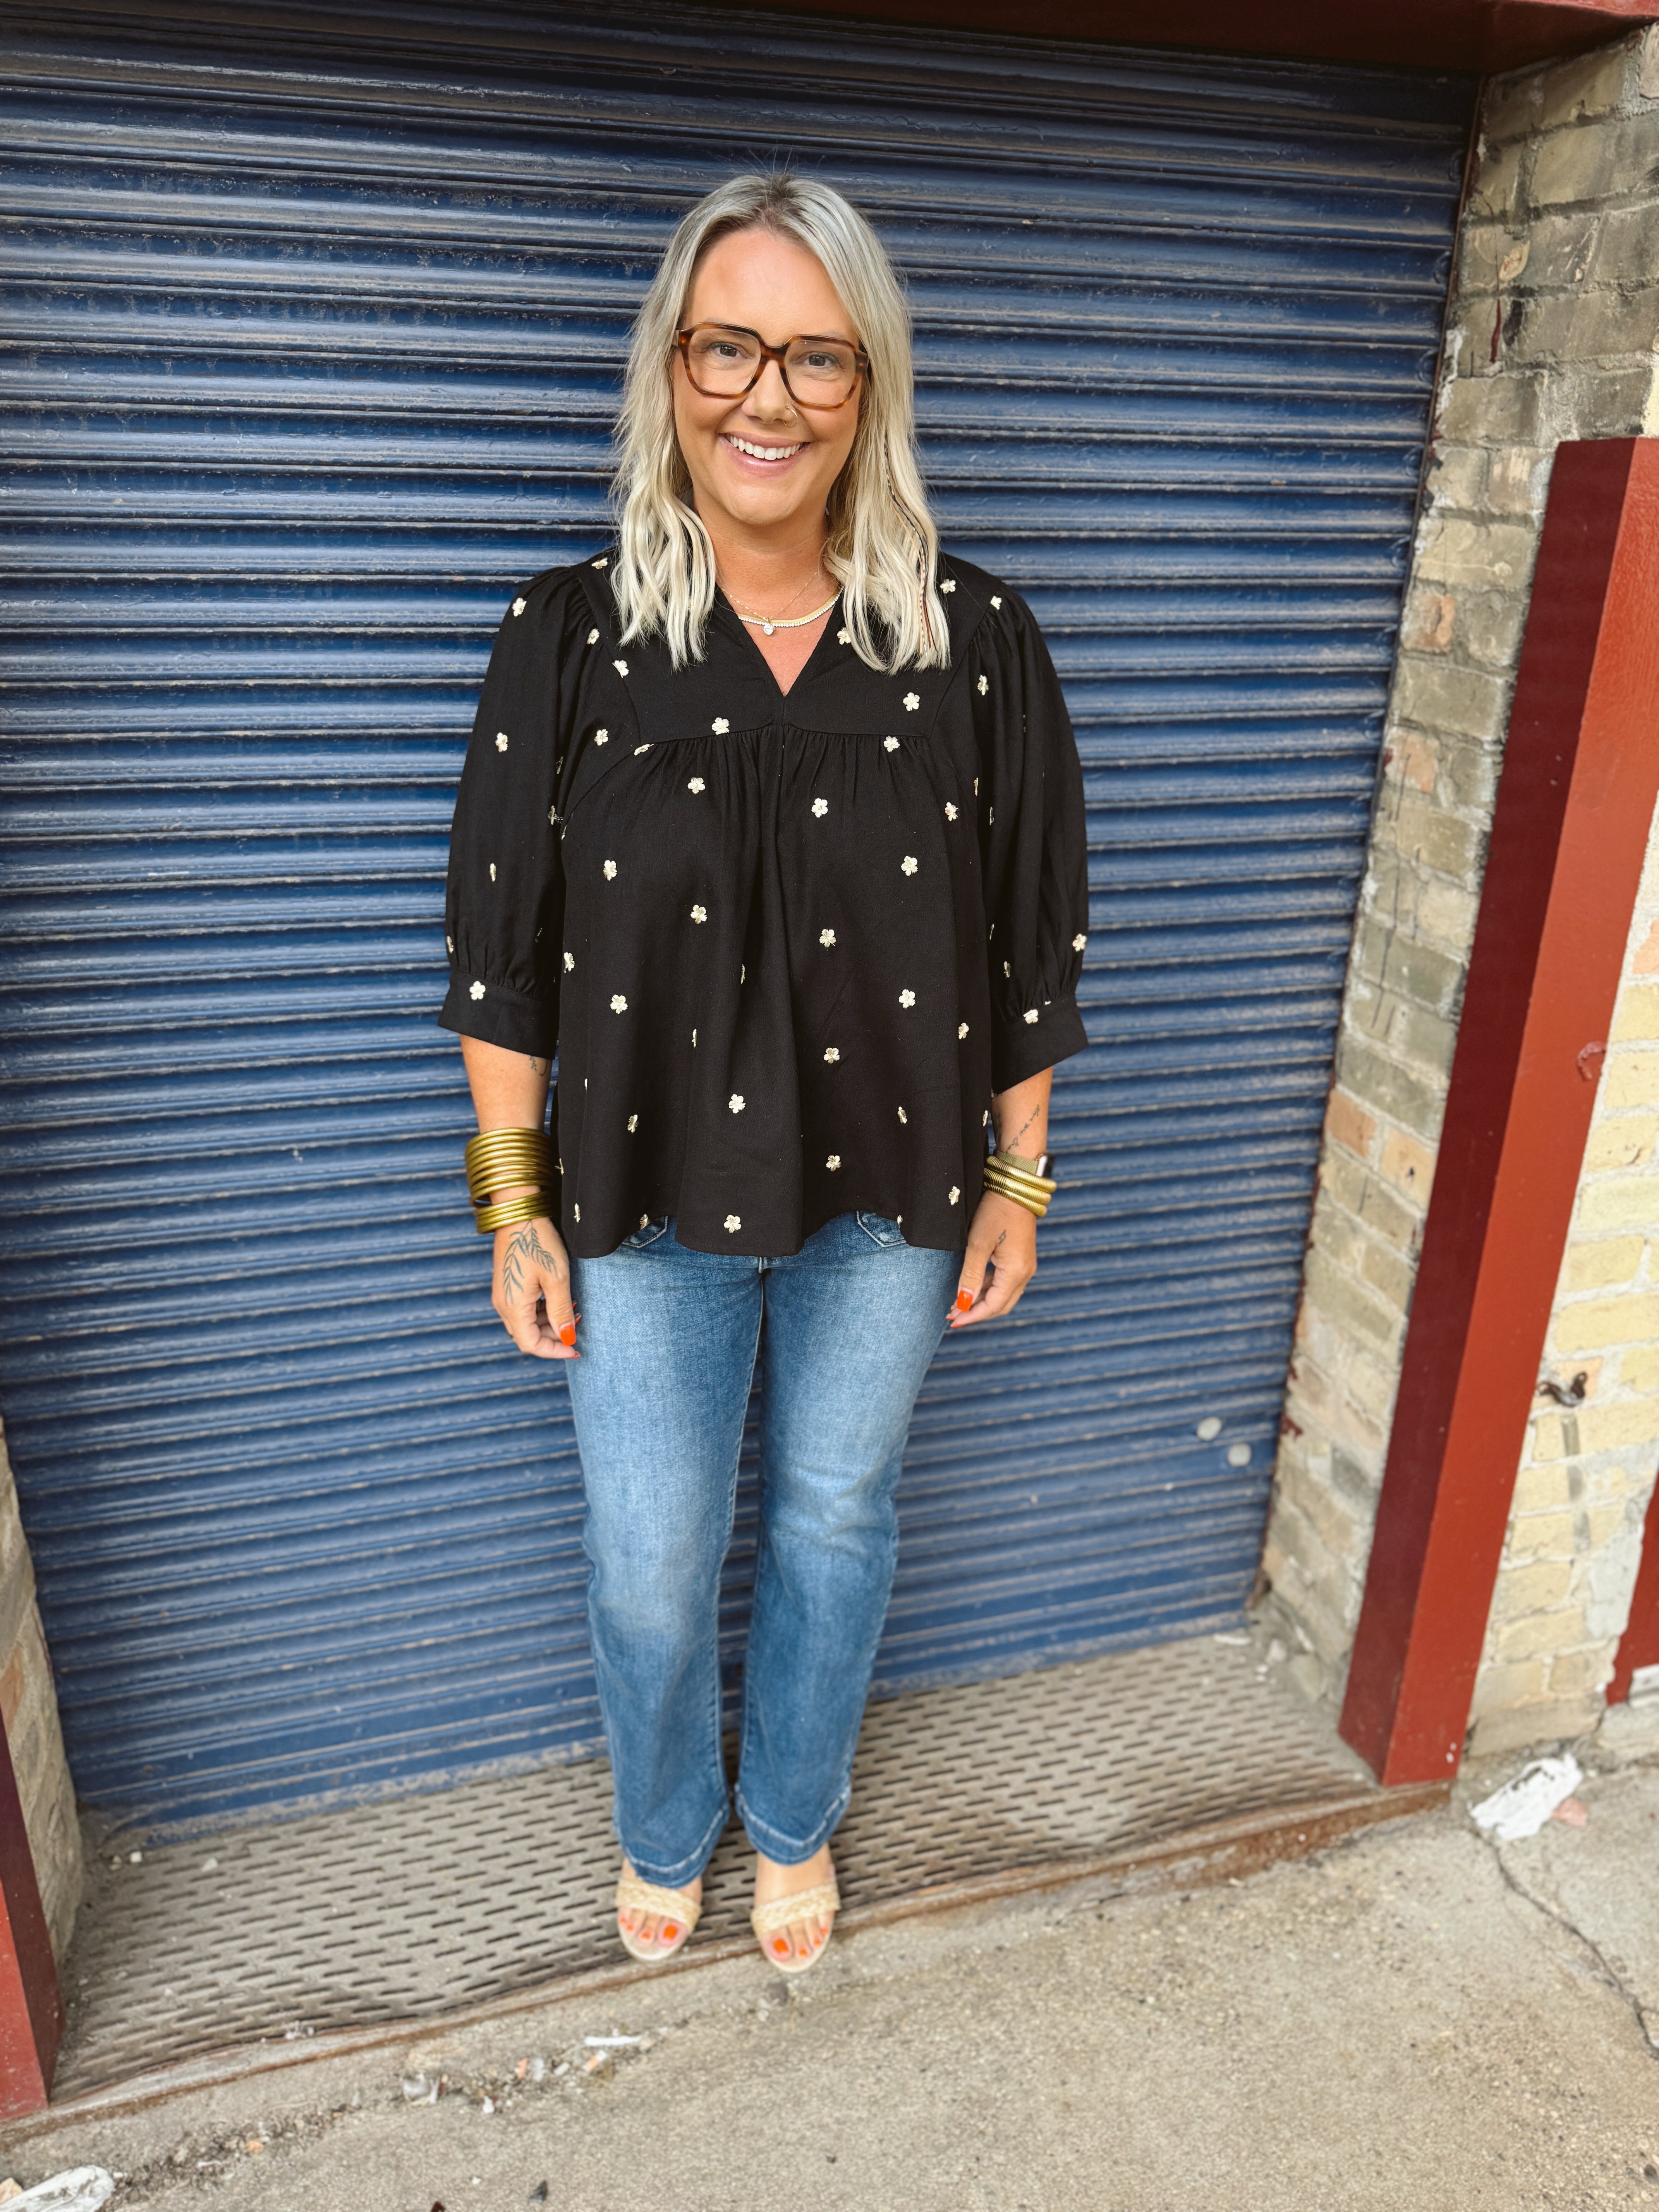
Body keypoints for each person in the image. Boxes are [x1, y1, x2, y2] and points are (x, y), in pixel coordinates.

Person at [440, 172, 1087, 1975]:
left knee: (831, 1524)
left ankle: (792, 1820)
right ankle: (667, 1824)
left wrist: (1021, 1178)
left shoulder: (976, 645)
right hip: (634, 1204)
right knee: (650, 1561)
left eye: (817, 356)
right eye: (728, 347)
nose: (767, 398)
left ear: (871, 388)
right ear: (670, 370)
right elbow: (501, 955)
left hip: (891, 1196)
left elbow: (1030, 944)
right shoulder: (565, 642)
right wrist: (515, 1210)